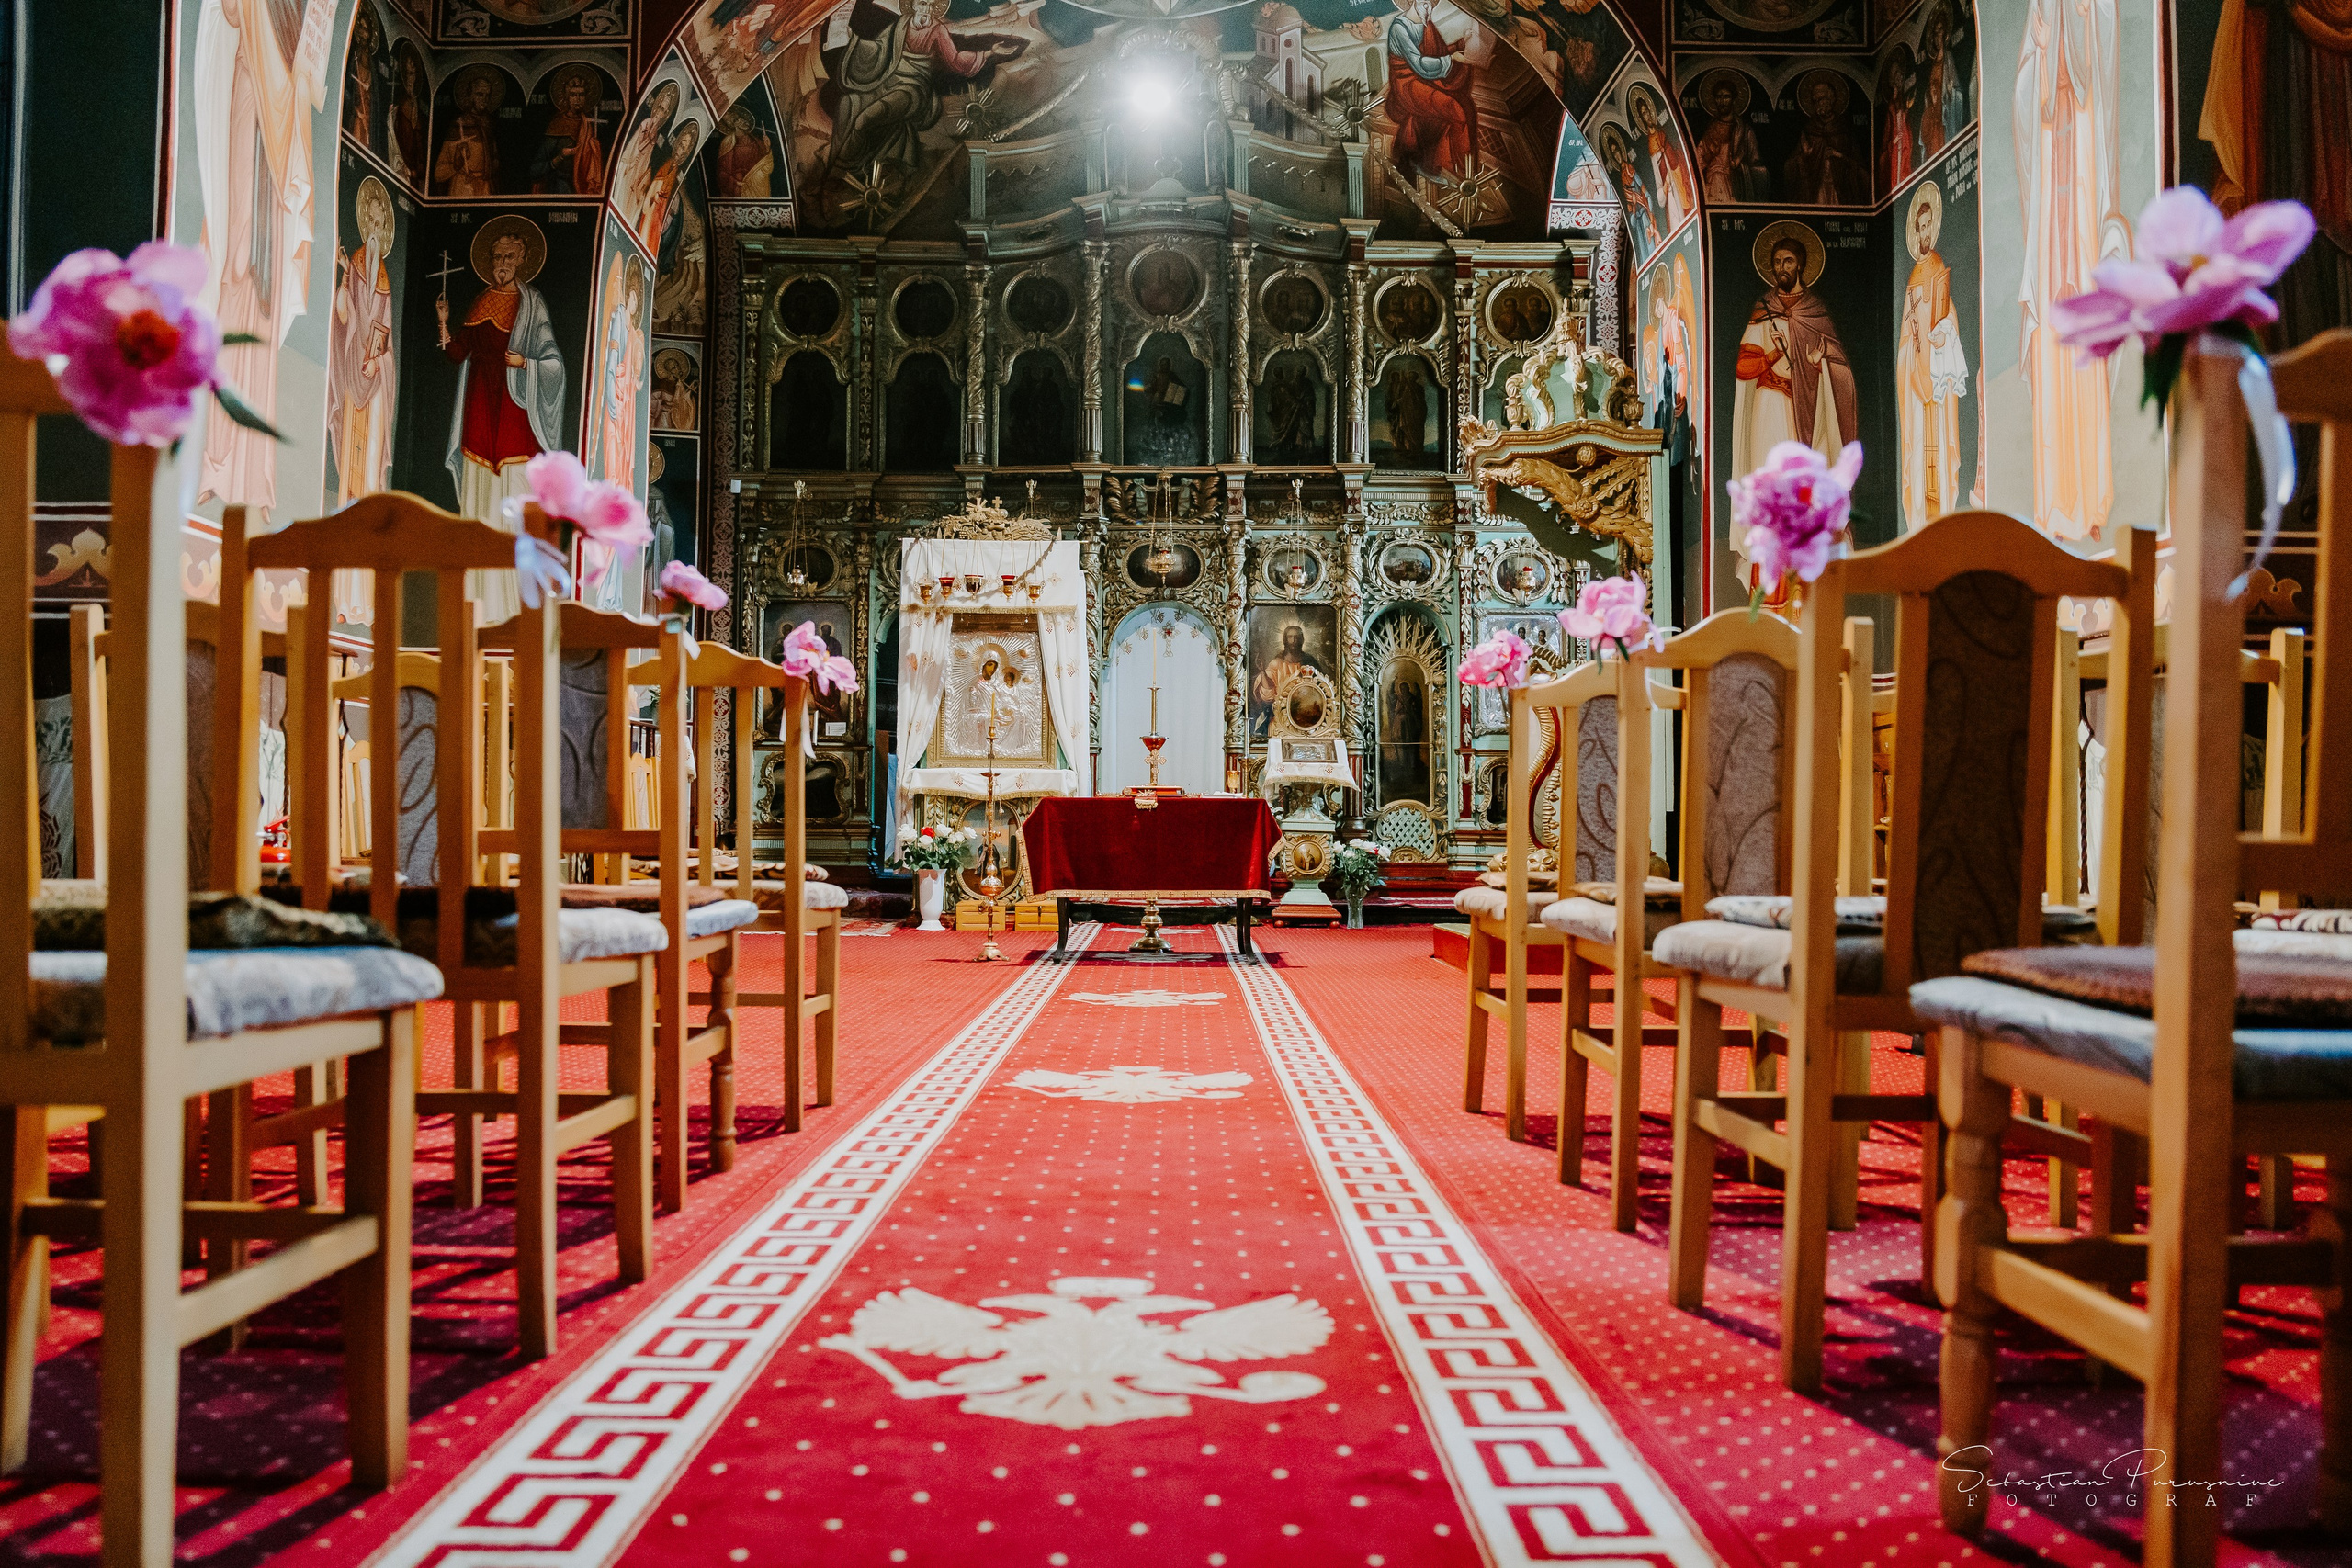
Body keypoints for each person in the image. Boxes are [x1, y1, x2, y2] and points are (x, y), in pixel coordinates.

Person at [440, 222, 569, 623]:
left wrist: (526, 363)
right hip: (479, 414)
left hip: (516, 420)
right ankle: (477, 608)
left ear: (522, 261)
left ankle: (516, 609)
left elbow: (554, 365)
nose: (501, 265)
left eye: (509, 257)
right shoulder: (481, 300)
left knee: (513, 510)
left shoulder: (533, 305)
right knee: (480, 508)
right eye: (496, 258)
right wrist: (443, 321)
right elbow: (458, 352)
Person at [823, 0, 1022, 186]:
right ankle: (836, 167)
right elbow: (879, 48)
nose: (927, 8)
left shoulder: (937, 30)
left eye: (931, 4)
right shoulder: (901, 24)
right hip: (887, 82)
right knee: (848, 103)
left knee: (864, 118)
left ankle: (844, 171)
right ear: (913, 5)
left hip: (913, 89)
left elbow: (955, 60)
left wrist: (990, 53)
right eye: (922, 2)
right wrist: (854, 40)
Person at [1732, 231, 1859, 502]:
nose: (1782, 268)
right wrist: (1774, 354)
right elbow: (1743, 368)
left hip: (1810, 406)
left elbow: (1840, 366)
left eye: (1788, 261)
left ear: (1800, 265)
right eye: (1777, 262)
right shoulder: (1764, 308)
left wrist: (1821, 362)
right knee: (1772, 476)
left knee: (1806, 480)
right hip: (1771, 404)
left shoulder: (1815, 310)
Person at [1897, 184, 1968, 530]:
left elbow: (1948, 316)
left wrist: (1943, 334)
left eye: (1928, 226)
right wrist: (1912, 364)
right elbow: (1904, 341)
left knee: (1940, 451)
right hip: (1917, 384)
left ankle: (1942, 519)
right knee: (1920, 455)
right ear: (1914, 231)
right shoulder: (1912, 279)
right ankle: (1923, 524)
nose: (1924, 233)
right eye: (1919, 227)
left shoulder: (1938, 267)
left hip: (1937, 383)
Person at [329, 181, 398, 510]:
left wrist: (378, 362)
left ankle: (368, 510)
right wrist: (344, 279)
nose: (374, 230)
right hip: (352, 366)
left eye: (379, 225)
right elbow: (343, 316)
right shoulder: (355, 265)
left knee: (370, 448)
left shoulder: (385, 282)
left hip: (375, 377)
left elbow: (386, 339)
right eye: (370, 222)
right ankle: (347, 506)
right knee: (350, 444)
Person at [1385, 0, 1477, 183]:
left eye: (1431, 2)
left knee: (1466, 104)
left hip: (1426, 79)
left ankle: (1453, 166)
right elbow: (1419, 64)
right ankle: (1459, 173)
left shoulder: (1425, 22)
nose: (1428, 6)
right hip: (1407, 85)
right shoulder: (1399, 28)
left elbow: (1435, 53)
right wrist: (1451, 58)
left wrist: (1460, 44)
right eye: (1424, 1)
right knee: (1455, 109)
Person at [1781, 73, 1866, 205]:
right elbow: (1790, 165)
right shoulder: (1809, 130)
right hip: (1817, 187)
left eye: (1821, 99)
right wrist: (1805, 156)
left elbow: (1858, 164)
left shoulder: (1844, 130)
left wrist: (1839, 156)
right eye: (1815, 101)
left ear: (1831, 99)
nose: (1818, 104)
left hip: (1840, 188)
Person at [530, 66, 607, 196]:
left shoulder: (589, 123)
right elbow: (535, 169)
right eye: (573, 95)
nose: (577, 99)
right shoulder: (558, 124)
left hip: (583, 186)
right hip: (559, 186)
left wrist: (594, 149)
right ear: (566, 97)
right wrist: (560, 157)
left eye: (581, 95)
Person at [1693, 73, 1765, 204]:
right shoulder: (1711, 129)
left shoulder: (1744, 131)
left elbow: (1757, 166)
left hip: (1735, 184)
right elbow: (1699, 157)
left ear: (1733, 99)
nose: (1722, 101)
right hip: (1713, 181)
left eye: (1726, 97)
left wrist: (1738, 165)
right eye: (1719, 97)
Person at [434, 68, 503, 197]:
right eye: (479, 94)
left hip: (484, 187)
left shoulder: (489, 126)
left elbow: (495, 159)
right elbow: (438, 173)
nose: (484, 99)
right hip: (463, 185)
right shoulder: (459, 125)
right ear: (470, 96)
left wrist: (490, 170)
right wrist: (457, 164)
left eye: (487, 95)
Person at [1630, 87, 1694, 229]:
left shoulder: (1665, 133)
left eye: (1648, 111)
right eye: (1644, 114)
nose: (1648, 116)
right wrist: (1666, 184)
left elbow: (1678, 156)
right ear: (1641, 119)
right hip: (1669, 188)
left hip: (1679, 182)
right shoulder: (1651, 145)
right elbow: (1658, 179)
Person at [1251, 623, 1326, 739]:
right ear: (1285, 640)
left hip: (1307, 719)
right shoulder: (1276, 664)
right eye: (1290, 637)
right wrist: (1262, 672)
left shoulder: (1310, 662)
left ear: (1302, 640)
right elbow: (1268, 696)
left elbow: (1321, 691)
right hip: (1280, 718)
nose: (1294, 641)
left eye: (1297, 637)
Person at [714, 104, 775, 198]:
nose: (743, 121)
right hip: (740, 188)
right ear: (732, 125)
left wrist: (767, 148)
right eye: (737, 120)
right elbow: (722, 171)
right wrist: (735, 182)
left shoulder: (757, 141)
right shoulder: (728, 143)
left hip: (759, 188)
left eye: (741, 118)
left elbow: (767, 167)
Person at [1383, 359, 1428, 461]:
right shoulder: (1403, 387)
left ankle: (1413, 449)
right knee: (1401, 430)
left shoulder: (1417, 388)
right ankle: (1404, 448)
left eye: (1412, 377)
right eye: (1410, 377)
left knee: (1413, 430)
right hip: (1405, 413)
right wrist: (1397, 403)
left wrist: (1400, 401)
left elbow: (1418, 402)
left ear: (1415, 378)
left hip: (1414, 414)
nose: (1410, 379)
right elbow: (1399, 400)